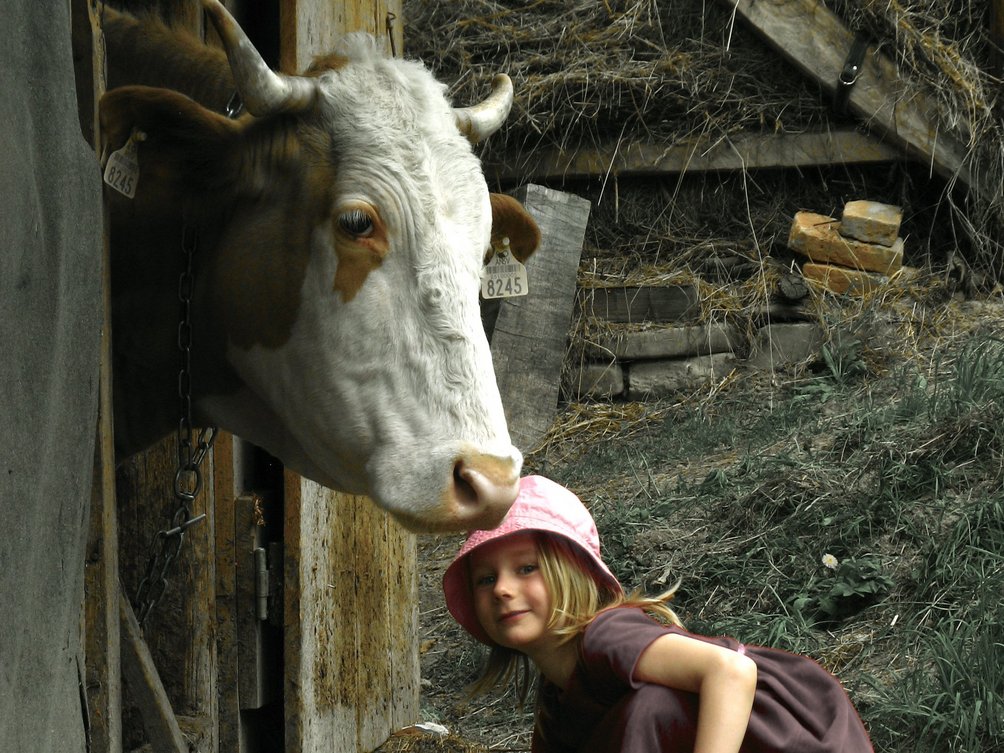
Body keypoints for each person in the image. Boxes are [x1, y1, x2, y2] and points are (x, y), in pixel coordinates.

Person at [443, 475, 874, 753]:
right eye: (484, 579)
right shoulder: (557, 705)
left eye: (526, 569)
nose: (501, 588)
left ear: (573, 576)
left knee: (651, 707)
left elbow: (732, 671)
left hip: (803, 734)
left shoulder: (605, 635)